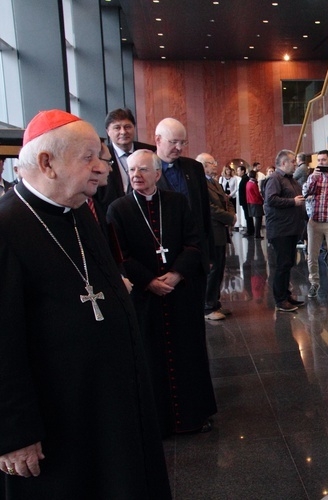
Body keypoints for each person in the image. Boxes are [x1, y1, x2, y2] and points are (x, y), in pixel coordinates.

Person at [0, 110, 171, 498]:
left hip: (110, 405)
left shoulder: (79, 212)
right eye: (89, 158)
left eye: (102, 158)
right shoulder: (7, 228)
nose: (103, 168)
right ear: (47, 162)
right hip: (60, 418)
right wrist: (14, 433)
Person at [107, 149, 217, 436]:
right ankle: (158, 422)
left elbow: (194, 243)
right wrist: (150, 282)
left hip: (181, 293)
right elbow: (120, 255)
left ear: (157, 174)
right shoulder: (118, 209)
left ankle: (195, 416)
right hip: (145, 297)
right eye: (131, 171)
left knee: (187, 353)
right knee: (151, 356)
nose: (136, 176)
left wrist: (177, 273)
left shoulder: (177, 203)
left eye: (143, 170)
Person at [154, 117, 213, 278]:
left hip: (195, 251)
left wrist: (208, 253)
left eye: (183, 142)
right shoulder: (146, 169)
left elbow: (204, 211)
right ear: (158, 140)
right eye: (173, 142)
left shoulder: (194, 168)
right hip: (165, 256)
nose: (179, 148)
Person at [264, 149, 307, 312]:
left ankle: (286, 294)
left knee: (288, 263)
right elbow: (271, 199)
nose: (295, 164)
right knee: (282, 264)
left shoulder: (290, 179)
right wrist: (292, 202)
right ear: (283, 163)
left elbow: (297, 198)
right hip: (281, 229)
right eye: (293, 162)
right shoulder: (275, 178)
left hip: (291, 228)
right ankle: (280, 299)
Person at [198, 153, 236, 321]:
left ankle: (215, 302)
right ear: (204, 166)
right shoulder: (201, 184)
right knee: (213, 270)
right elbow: (210, 208)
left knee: (220, 268)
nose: (215, 165)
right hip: (212, 231)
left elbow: (226, 201)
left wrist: (232, 214)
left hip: (220, 231)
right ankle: (208, 306)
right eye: (212, 163)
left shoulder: (214, 181)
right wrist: (229, 217)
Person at [303, 149, 328, 304]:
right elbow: (305, 192)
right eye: (319, 160)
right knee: (312, 257)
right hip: (314, 222)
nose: (321, 163)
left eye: (324, 160)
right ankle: (314, 283)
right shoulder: (313, 177)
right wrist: (313, 178)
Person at [96, 108, 154, 211]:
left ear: (134, 128)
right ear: (108, 131)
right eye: (117, 128)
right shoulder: (101, 156)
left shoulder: (150, 152)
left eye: (127, 127)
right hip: (111, 213)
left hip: (146, 210)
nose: (123, 132)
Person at [245, 170, 264, 239]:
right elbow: (257, 194)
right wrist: (262, 200)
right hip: (256, 202)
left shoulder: (248, 183)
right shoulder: (253, 184)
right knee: (258, 219)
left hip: (250, 202)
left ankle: (256, 233)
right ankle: (257, 234)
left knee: (257, 218)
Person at [236, 163, 250, 234]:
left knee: (248, 216)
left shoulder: (245, 179)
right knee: (247, 215)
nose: (237, 172)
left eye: (238, 170)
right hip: (244, 200)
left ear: (243, 171)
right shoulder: (243, 179)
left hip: (246, 200)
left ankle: (250, 230)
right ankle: (250, 229)